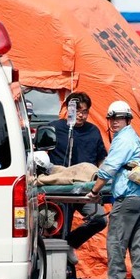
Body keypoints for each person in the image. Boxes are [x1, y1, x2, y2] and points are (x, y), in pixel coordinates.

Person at [88, 101, 140, 279]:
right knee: (139, 241)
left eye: (118, 118)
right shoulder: (133, 137)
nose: (114, 122)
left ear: (127, 119)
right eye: (111, 118)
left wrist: (94, 191)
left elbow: (109, 168)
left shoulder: (124, 139)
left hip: (129, 196)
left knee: (116, 238)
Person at [46, 92, 108, 264]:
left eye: (85, 111)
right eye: (78, 110)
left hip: (85, 188)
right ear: (67, 109)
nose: (81, 114)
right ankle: (59, 271)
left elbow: (102, 158)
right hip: (59, 187)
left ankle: (70, 243)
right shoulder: (54, 128)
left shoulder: (93, 131)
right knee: (56, 227)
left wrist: (103, 179)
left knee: (99, 219)